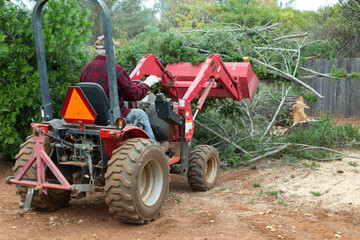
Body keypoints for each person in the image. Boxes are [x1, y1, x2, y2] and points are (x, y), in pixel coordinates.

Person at [80, 35, 160, 141]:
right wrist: (147, 83)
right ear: (112, 50)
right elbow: (135, 95)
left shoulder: (86, 68)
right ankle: (152, 148)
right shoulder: (116, 70)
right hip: (112, 116)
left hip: (92, 116)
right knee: (141, 115)